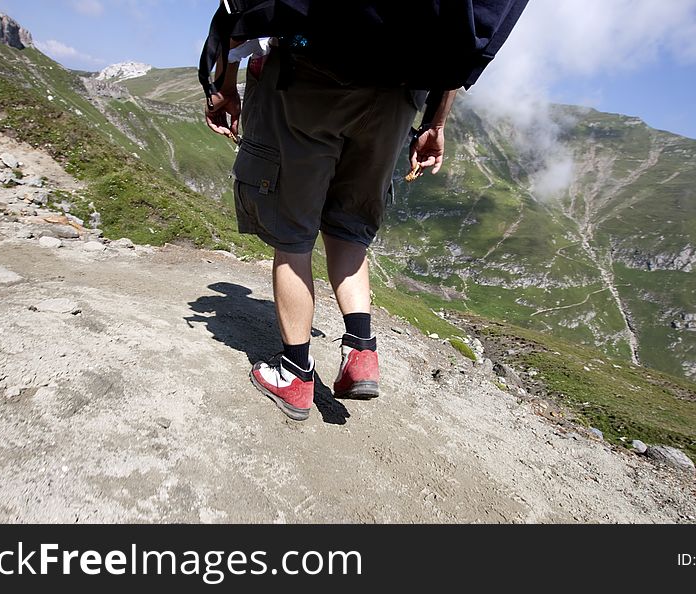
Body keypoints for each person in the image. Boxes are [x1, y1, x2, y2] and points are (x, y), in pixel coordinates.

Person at [203, 2, 527, 421]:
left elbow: (242, 5)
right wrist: (437, 121)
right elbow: (458, 40)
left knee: (294, 234)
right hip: (398, 95)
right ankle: (360, 352)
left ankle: (295, 373)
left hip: (310, 75)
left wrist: (225, 83)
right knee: (350, 226)